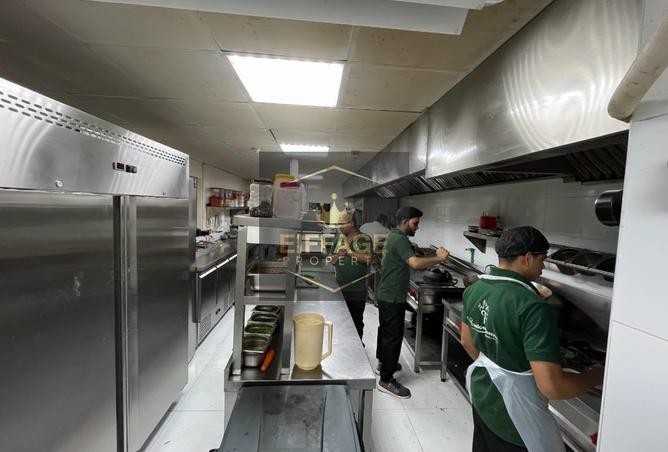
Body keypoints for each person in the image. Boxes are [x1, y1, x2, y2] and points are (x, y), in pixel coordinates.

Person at [461, 226, 604, 452]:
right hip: (515, 416)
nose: (543, 267)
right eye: (542, 259)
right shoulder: (533, 306)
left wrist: (498, 363)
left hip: (482, 395)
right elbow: (552, 387)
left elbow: (467, 342)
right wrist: (593, 377)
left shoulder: (475, 289)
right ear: (527, 258)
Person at [374, 206, 449, 399]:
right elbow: (414, 263)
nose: (417, 227)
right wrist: (438, 258)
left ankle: (384, 363)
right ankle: (386, 380)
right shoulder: (399, 239)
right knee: (392, 336)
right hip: (392, 296)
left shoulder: (394, 236)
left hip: (386, 293)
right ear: (405, 221)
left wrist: (430, 258)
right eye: (415, 223)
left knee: (386, 331)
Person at [332, 212, 372, 342]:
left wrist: (350, 253)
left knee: (356, 323)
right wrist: (338, 255)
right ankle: (343, 347)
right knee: (341, 322)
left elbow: (368, 259)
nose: (340, 227)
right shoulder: (338, 239)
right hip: (339, 290)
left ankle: (358, 348)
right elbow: (331, 260)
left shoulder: (364, 239)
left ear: (352, 223)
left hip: (357, 291)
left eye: (342, 224)